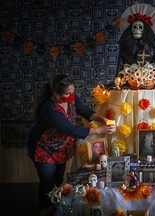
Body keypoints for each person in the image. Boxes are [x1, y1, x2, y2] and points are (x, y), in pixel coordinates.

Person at [27, 74, 116, 215]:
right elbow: (71, 130)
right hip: (43, 148)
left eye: (72, 91)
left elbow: (85, 111)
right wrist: (100, 129)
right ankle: (45, 208)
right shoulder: (49, 108)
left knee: (58, 178)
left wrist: (101, 119)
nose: (71, 95)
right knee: (48, 180)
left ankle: (59, 207)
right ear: (55, 93)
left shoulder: (71, 98)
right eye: (68, 93)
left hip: (61, 147)